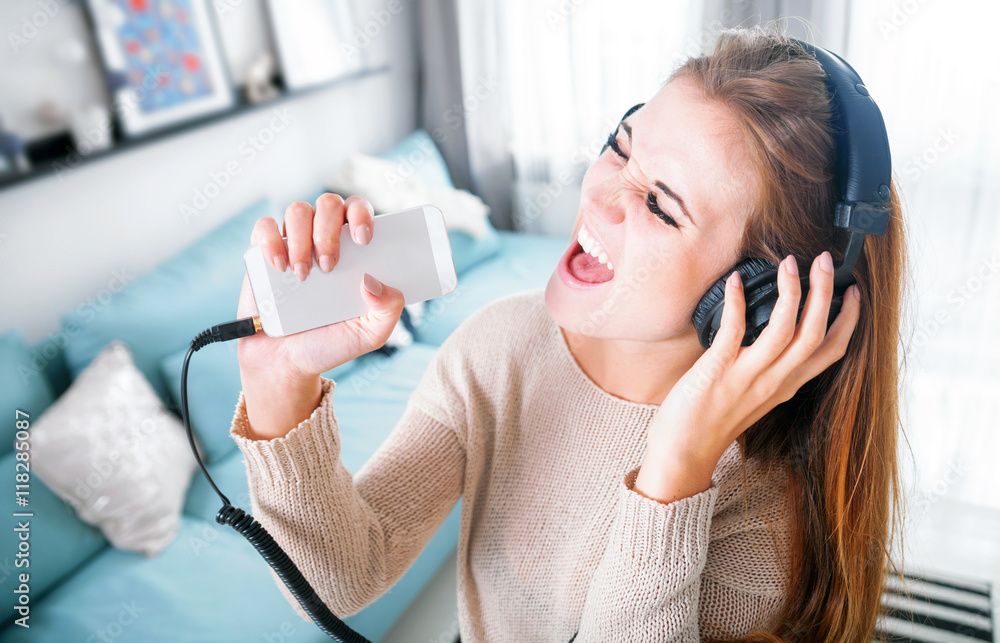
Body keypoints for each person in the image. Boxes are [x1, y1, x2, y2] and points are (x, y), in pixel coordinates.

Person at [229, 25, 907, 642]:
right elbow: (344, 577)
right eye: (621, 146)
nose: (601, 195)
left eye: (661, 207)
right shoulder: (501, 344)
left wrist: (674, 471)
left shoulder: (764, 495)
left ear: (762, 296)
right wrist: (276, 379)